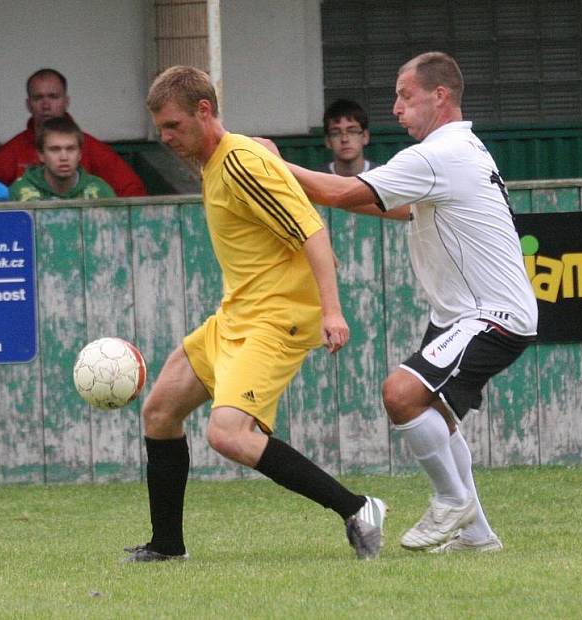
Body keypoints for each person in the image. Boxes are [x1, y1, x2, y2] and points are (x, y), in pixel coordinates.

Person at [258, 52, 538, 553]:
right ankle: (477, 537)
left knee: (401, 395)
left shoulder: (438, 154)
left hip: (490, 315)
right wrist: (323, 194)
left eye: (404, 96)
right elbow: (402, 207)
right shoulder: (461, 149)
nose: (395, 108)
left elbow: (344, 191)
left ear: (440, 96)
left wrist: (273, 166)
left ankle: (453, 502)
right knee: (440, 415)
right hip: (461, 313)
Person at [123, 65, 386, 563]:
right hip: (236, 316)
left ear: (204, 112)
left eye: (173, 125)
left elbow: (313, 232)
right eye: (160, 128)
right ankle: (166, 546)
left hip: (275, 319)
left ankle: (358, 508)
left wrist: (333, 312)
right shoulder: (223, 158)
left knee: (227, 433)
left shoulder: (241, 162)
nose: (166, 138)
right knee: (160, 413)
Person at [0, 68, 146, 197]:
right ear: (29, 104)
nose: (46, 105)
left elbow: (133, 191)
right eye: (38, 98)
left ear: (66, 101)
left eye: (53, 97)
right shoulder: (12, 151)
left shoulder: (92, 147)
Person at [9, 116, 116, 201]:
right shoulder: (19, 191)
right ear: (41, 155)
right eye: (55, 149)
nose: (64, 157)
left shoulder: (100, 190)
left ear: (80, 154)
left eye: (70, 149)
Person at [321, 98, 377, 176]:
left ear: (365, 136)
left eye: (352, 131)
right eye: (336, 133)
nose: (344, 139)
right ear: (328, 141)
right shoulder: (315, 181)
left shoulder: (382, 178)